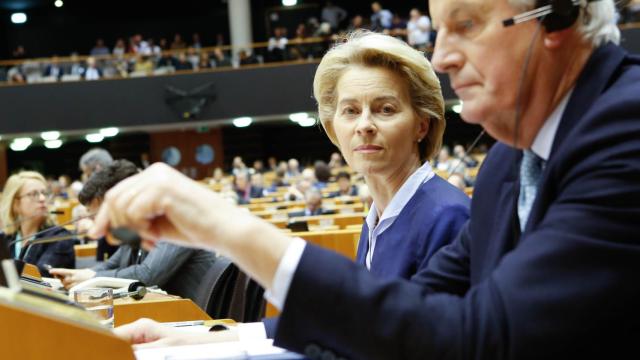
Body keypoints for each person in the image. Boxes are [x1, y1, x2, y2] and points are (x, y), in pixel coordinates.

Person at [105, 1, 640, 356]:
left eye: (467, 25)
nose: (445, 57)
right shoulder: (507, 163)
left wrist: (231, 229)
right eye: (439, 31)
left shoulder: (626, 130)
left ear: (557, 16)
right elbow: (402, 312)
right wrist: (197, 341)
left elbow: (481, 337)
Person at [51, 160, 218, 302]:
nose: (99, 223)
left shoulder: (175, 218)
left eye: (100, 214)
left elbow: (148, 275)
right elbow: (113, 264)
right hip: (163, 313)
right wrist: (80, 275)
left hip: (201, 320)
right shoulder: (134, 224)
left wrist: (91, 278)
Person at [0, 171, 75, 277]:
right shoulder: (7, 239)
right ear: (15, 203)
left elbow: (39, 278)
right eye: (34, 194)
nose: (42, 199)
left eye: (44, 193)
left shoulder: (59, 237)